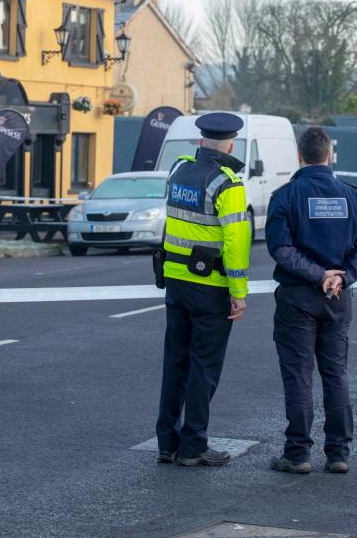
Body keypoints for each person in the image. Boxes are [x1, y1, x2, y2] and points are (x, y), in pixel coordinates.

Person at [265, 126, 357, 475]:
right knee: (335, 374)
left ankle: (298, 454)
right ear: (329, 155)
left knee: (298, 376)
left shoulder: (285, 196)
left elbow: (280, 249)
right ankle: (338, 453)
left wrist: (318, 275)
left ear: (299, 156)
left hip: (298, 297)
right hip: (338, 298)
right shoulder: (354, 197)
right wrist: (341, 276)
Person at [155, 112, 251, 467]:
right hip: (210, 288)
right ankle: (194, 445)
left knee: (175, 362)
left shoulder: (178, 171)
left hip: (175, 282)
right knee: (203, 367)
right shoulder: (228, 185)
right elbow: (236, 243)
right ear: (230, 145)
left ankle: (167, 442)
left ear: (200, 142)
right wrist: (238, 292)